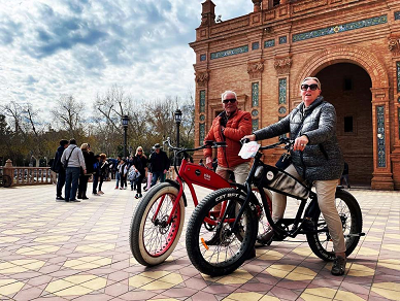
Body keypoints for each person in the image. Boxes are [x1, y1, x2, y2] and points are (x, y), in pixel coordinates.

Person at [242, 76, 346, 276]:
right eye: (304, 86)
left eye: (312, 86)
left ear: (318, 90)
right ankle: (276, 226)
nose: (308, 89)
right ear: (300, 90)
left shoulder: (326, 108)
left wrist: (307, 137)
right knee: (276, 182)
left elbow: (327, 129)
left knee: (326, 205)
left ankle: (340, 254)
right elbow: (278, 127)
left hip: (325, 166)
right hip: (302, 165)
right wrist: (255, 135)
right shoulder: (297, 111)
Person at [204, 90, 252, 186]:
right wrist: (208, 156)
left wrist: (223, 130)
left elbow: (242, 134)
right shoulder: (216, 121)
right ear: (222, 104)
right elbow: (207, 140)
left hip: (240, 162)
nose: (229, 103)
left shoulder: (244, 115)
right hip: (222, 164)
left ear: (237, 103)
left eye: (232, 100)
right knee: (216, 192)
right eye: (226, 101)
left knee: (241, 193)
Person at [60, 138, 86, 202]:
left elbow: (62, 159)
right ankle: (72, 197)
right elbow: (81, 160)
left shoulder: (66, 150)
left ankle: (66, 197)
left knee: (67, 182)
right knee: (74, 182)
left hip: (68, 168)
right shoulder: (78, 150)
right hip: (75, 167)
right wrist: (84, 168)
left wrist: (66, 164)